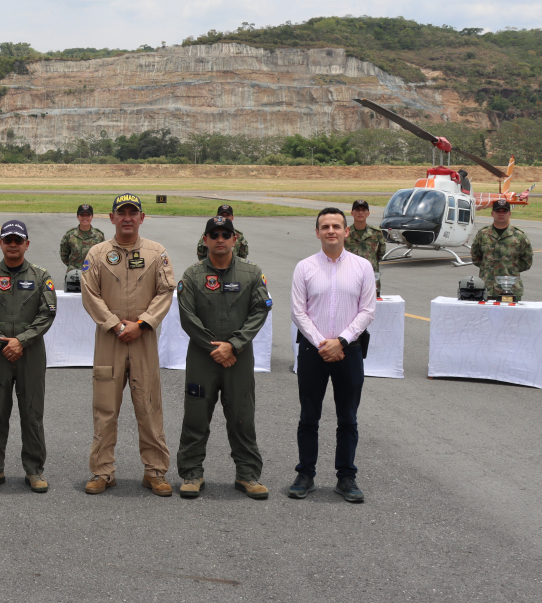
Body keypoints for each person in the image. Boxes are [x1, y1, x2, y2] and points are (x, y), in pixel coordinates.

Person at [80, 194, 177, 496]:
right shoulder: (96, 254)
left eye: (132, 213)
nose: (127, 218)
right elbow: (90, 294)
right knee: (105, 410)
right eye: (121, 212)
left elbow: (166, 291)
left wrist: (143, 323)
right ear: (111, 218)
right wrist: (115, 324)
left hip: (143, 339)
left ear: (142, 217)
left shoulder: (156, 252)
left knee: (149, 408)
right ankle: (102, 472)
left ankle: (155, 471)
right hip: (110, 340)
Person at [175, 216, 272, 500]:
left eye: (225, 234)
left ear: (235, 239)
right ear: (205, 240)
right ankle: (192, 473)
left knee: (243, 416)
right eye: (214, 234)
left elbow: (260, 310)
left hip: (238, 358)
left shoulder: (252, 273)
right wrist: (215, 348)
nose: (220, 239)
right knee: (195, 416)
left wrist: (234, 345)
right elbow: (187, 317)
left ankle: (248, 474)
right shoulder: (192, 275)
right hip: (202, 358)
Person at [290, 207, 375, 503]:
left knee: (348, 418)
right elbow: (298, 311)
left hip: (349, 351)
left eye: (336, 226)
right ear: (317, 232)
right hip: (314, 353)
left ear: (346, 231)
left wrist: (341, 340)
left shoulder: (363, 267)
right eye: (325, 226)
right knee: (308, 417)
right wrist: (322, 343)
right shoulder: (304, 267)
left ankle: (346, 477)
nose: (331, 231)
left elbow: (367, 310)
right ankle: (305, 474)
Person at [0, 220, 57, 493]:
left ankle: (34, 470)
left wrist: (21, 341)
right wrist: (1, 342)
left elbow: (47, 313)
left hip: (30, 353)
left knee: (32, 413)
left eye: (18, 240)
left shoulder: (42, 276)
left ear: (27, 244)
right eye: (7, 240)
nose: (12, 244)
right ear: (0, 244)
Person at [470, 198, 533, 300]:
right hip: (487, 288)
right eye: (498, 211)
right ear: (492, 214)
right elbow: (476, 258)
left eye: (504, 211)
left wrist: (511, 269)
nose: (501, 214)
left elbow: (527, 261)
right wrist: (490, 268)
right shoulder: (483, 234)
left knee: (511, 316)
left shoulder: (519, 236)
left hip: (511, 290)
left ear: (509, 214)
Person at [345, 199, 386, 294]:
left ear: (368, 213)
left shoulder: (376, 233)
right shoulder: (345, 233)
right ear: (352, 213)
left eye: (364, 210)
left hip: (371, 276)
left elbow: (380, 254)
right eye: (357, 209)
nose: (360, 212)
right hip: (349, 276)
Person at [60, 204, 105, 271]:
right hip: (74, 274)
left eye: (88, 215)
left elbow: (103, 255)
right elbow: (64, 254)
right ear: (78, 216)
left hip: (92, 273)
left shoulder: (99, 236)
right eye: (82, 215)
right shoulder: (70, 235)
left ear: (92, 216)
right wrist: (72, 266)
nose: (85, 218)